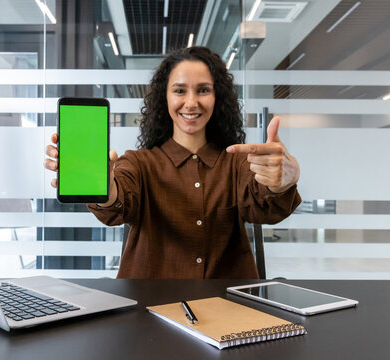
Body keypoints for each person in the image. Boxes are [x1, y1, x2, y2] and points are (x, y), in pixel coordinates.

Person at [45, 46, 301, 279]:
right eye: (179, 90)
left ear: (217, 97)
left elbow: (264, 204)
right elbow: (120, 198)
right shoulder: (139, 163)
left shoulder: (237, 163)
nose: (191, 103)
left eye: (203, 90)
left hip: (227, 310)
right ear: (164, 98)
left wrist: (282, 182)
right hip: (147, 313)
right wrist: (106, 189)